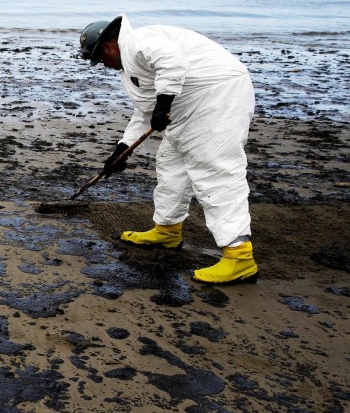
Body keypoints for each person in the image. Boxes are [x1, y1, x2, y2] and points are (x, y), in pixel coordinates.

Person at [79, 14, 258, 284]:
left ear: (107, 46)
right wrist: (122, 149)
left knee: (214, 171)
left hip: (217, 96)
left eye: (100, 59)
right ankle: (167, 230)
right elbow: (144, 112)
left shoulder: (141, 40)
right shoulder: (131, 69)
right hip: (187, 105)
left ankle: (239, 257)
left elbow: (172, 62)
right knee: (170, 163)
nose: (103, 65)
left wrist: (164, 103)